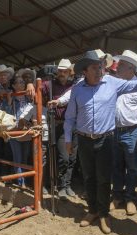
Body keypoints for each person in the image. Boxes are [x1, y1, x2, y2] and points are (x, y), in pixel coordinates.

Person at [64, 50, 137, 234]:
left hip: (106, 139)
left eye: (101, 66)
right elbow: (70, 117)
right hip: (84, 140)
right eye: (94, 67)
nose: (99, 70)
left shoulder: (112, 83)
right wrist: (68, 139)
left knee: (104, 179)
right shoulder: (78, 89)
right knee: (89, 177)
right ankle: (92, 211)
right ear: (85, 71)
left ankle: (103, 214)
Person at [111, 50, 137, 215]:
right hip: (114, 130)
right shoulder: (114, 84)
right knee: (116, 166)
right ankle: (117, 196)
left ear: (131, 69)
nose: (117, 68)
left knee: (132, 167)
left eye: (122, 65)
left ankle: (130, 198)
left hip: (133, 131)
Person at [43, 58, 78, 200]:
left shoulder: (75, 86)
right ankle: (60, 185)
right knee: (63, 157)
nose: (62, 73)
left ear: (70, 72)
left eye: (65, 71)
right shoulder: (49, 85)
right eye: (60, 71)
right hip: (58, 124)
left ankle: (66, 185)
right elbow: (37, 87)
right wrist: (30, 84)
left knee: (72, 158)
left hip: (74, 124)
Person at [5, 76, 33, 188]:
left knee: (25, 157)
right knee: (18, 157)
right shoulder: (11, 97)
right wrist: (8, 102)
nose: (21, 84)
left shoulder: (29, 98)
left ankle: (21, 179)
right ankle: (22, 182)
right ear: (13, 86)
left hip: (26, 130)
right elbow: (6, 113)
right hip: (14, 130)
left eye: (22, 82)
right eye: (18, 82)